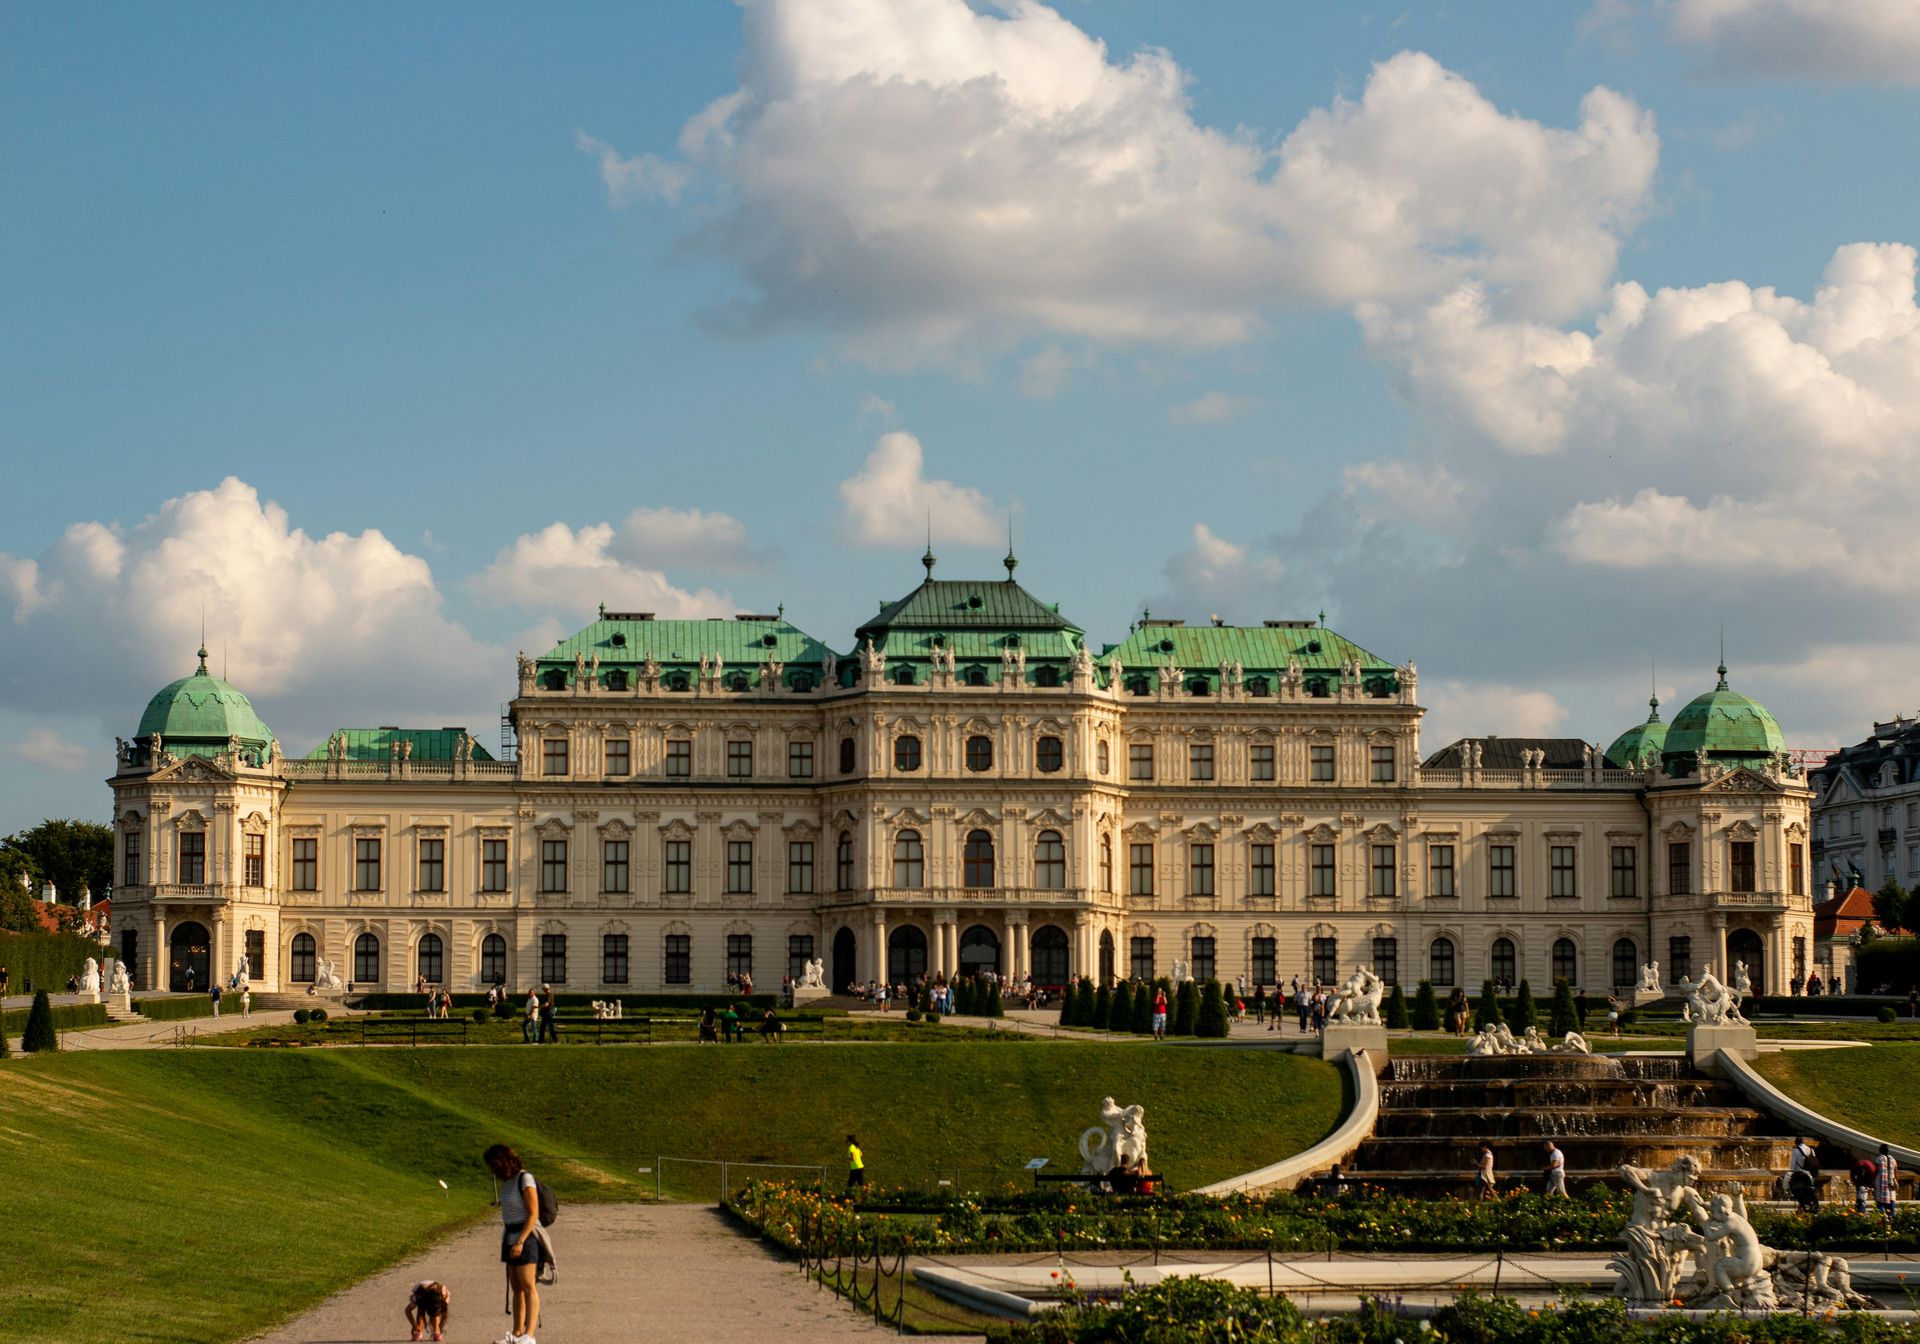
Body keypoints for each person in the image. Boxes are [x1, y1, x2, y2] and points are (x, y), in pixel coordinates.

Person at [483, 1143, 547, 1344]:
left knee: (528, 1286)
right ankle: (516, 1333)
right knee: (516, 1286)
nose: (491, 1170)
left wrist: (520, 1241)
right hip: (509, 1236)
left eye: (492, 1165)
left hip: (525, 1237)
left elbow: (533, 1213)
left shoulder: (524, 1178)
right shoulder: (507, 1182)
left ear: (501, 1161)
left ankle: (530, 1335)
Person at [1876, 1144, 1900, 1218]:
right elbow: (1896, 1173)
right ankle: (1891, 1222)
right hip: (1891, 1187)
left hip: (1881, 1187)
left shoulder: (1879, 1159)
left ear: (1880, 1150)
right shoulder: (1893, 1159)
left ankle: (1882, 1221)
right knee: (1891, 1206)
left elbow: (1875, 1171)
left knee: (1880, 1205)